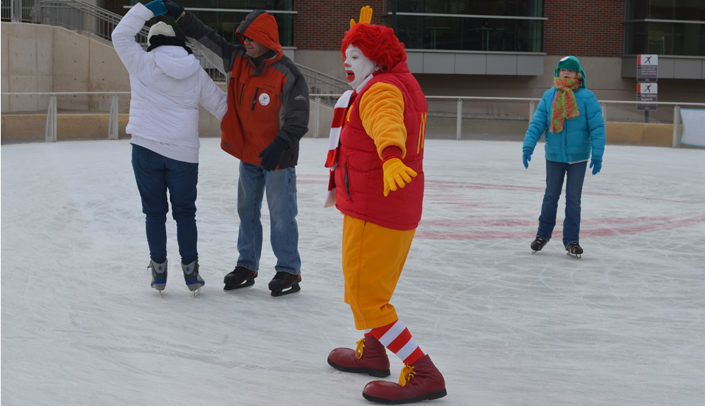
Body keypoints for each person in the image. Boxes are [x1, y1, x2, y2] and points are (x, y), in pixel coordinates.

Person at [323, 7, 446, 404]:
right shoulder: (399, 81)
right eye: (347, 54)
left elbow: (386, 121)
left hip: (376, 206)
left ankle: (423, 371)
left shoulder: (381, 89)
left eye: (356, 56)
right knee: (368, 286)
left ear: (377, 59)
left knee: (366, 296)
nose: (347, 62)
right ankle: (373, 352)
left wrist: (391, 155)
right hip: (392, 205)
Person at [151, 0, 310, 296]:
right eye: (243, 37)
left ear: (265, 39)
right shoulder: (235, 59)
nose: (245, 42)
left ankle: (289, 270)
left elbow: (298, 118)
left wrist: (280, 144)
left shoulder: (288, 74)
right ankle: (247, 265)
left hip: (277, 158)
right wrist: (180, 15)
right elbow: (204, 35)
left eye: (250, 38)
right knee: (246, 212)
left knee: (281, 215)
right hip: (249, 155)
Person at [112, 1, 227, 296]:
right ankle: (191, 271)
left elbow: (120, 35)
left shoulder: (141, 62)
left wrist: (146, 9)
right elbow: (223, 108)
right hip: (184, 155)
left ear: (152, 42)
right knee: (185, 214)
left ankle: (159, 271)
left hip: (146, 149)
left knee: (154, 214)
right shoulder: (196, 71)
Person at [522, 56, 605, 258]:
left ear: (578, 74)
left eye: (570, 70)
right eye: (562, 70)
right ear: (557, 73)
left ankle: (571, 240)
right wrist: (528, 146)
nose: (566, 73)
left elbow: (597, 127)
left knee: (573, 199)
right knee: (550, 197)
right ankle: (542, 236)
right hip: (554, 156)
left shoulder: (587, 97)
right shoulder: (549, 96)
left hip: (578, 157)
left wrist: (598, 154)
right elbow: (538, 123)